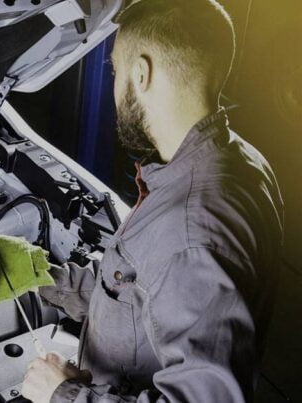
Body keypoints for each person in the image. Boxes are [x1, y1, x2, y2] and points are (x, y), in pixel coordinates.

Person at [21, 0, 285, 402]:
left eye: (114, 70)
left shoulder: (192, 228)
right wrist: (40, 278)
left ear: (141, 73)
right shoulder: (238, 160)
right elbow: (135, 287)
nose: (114, 84)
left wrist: (64, 395)